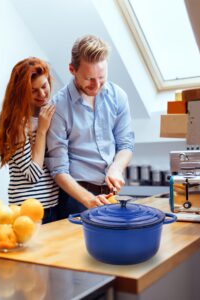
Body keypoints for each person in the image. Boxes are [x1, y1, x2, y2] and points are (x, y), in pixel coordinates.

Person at [46, 35, 134, 218]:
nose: (96, 85)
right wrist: (87, 200)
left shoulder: (118, 96)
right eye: (89, 78)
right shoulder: (59, 107)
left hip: (110, 193)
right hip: (75, 198)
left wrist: (116, 168)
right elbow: (58, 170)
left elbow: (125, 145)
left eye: (101, 77)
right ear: (72, 70)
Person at [0, 57, 59, 224]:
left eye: (44, 86)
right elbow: (33, 175)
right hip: (27, 212)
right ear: (22, 93)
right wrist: (42, 130)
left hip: (53, 206)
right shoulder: (17, 125)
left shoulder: (48, 113)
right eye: (34, 91)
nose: (42, 94)